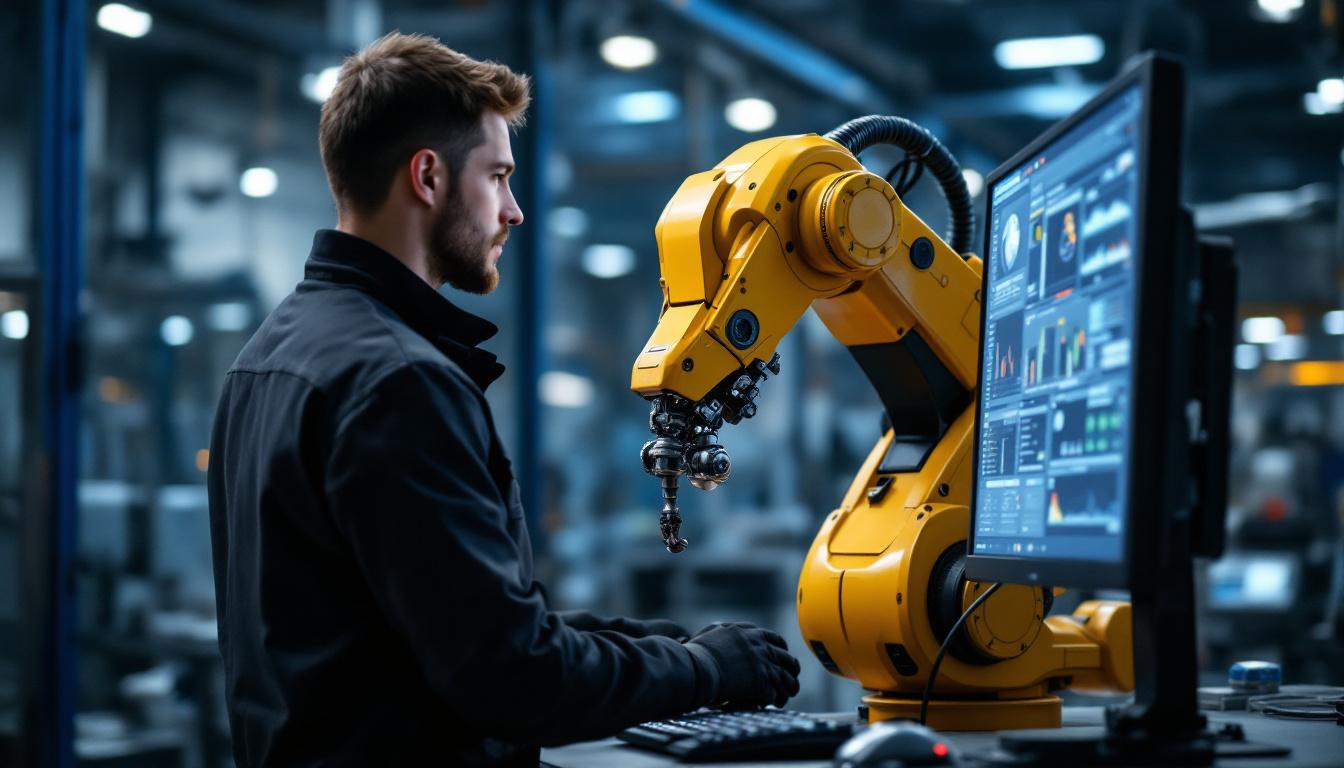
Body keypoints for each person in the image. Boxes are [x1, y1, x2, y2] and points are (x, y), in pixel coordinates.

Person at [206, 32, 800, 767]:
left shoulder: (266, 358)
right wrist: (708, 672)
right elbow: (512, 676)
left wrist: (658, 645)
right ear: (427, 177)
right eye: (497, 177)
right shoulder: (398, 382)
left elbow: (448, 622)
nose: (514, 211)